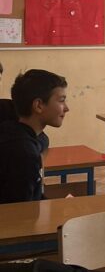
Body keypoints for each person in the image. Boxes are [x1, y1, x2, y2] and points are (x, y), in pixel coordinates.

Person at [0, 69, 69, 203]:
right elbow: (21, 210)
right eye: (61, 101)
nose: (66, 108)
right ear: (38, 106)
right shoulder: (25, 154)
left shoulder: (10, 129)